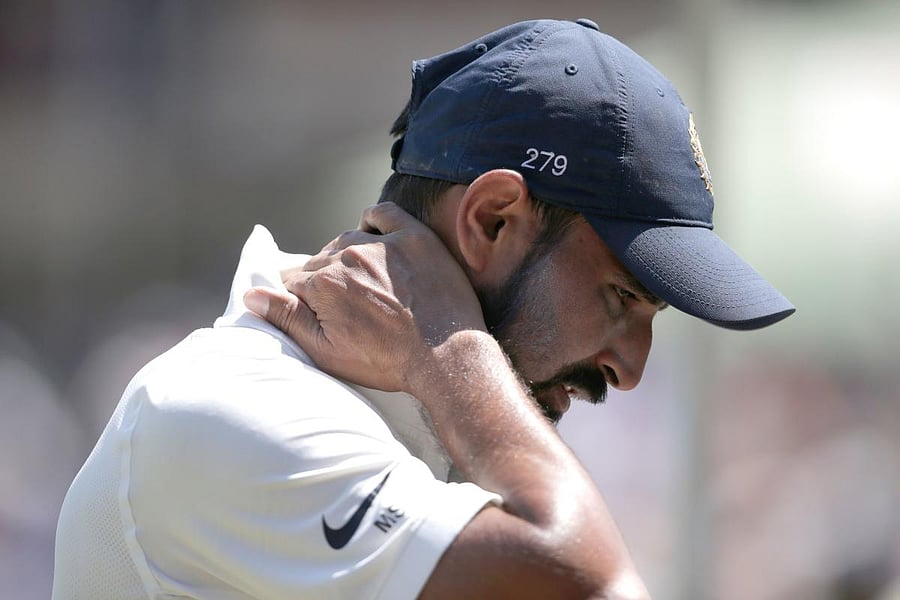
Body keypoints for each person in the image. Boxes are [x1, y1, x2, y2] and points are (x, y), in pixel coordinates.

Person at [52, 18, 794, 599]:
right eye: (622, 296)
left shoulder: (432, 425)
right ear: (493, 220)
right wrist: (448, 347)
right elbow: (590, 587)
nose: (629, 368)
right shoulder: (228, 407)